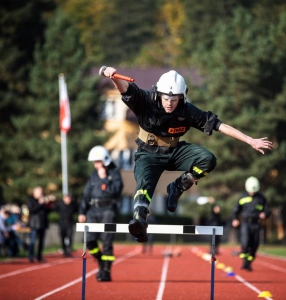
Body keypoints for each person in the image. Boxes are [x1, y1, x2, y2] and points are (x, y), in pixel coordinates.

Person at [100, 67, 273, 244]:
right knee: (145, 184)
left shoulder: (187, 110)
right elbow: (125, 88)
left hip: (174, 152)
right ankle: (139, 220)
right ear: (158, 94)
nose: (169, 103)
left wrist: (250, 140)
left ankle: (178, 186)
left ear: (182, 97)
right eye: (166, 98)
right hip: (148, 154)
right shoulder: (145, 100)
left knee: (208, 159)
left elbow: (219, 125)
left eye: (174, 99)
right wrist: (112, 75)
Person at [78, 145, 123, 282]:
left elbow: (116, 191)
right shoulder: (92, 175)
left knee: (107, 242)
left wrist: (104, 178)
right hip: (93, 210)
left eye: (98, 162)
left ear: (105, 160)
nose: (95, 165)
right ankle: (100, 262)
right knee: (90, 241)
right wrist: (82, 211)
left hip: (108, 209)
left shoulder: (114, 173)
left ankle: (106, 272)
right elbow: (86, 194)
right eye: (94, 162)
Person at [231, 176, 270, 271]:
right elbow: (236, 210)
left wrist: (265, 214)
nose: (252, 192)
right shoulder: (242, 197)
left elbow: (268, 210)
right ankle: (245, 261)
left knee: (255, 244)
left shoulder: (261, 198)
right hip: (245, 223)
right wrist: (235, 219)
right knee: (245, 242)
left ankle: (248, 263)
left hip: (256, 224)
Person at [27, 186, 52, 263]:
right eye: (40, 192)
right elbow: (32, 210)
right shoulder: (30, 200)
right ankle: (31, 256)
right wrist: (40, 204)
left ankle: (39, 256)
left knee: (41, 242)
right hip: (34, 224)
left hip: (42, 224)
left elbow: (48, 211)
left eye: (42, 192)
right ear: (35, 193)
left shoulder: (43, 201)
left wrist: (48, 204)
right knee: (32, 241)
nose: (42, 193)